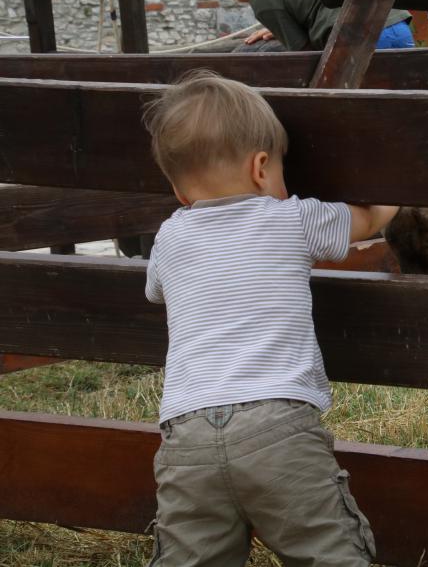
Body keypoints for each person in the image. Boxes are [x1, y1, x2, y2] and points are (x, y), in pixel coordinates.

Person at [142, 70, 399, 565]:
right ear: (261, 168)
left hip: (186, 434)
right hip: (277, 428)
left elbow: (156, 289)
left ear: (178, 189)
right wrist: (393, 193)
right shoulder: (293, 218)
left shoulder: (169, 237)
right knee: (328, 553)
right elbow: (367, 220)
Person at [200, 0, 414, 51]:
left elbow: (305, 51)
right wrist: (281, 29)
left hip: (357, 39)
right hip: (395, 24)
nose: (235, 0)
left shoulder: (260, 0)